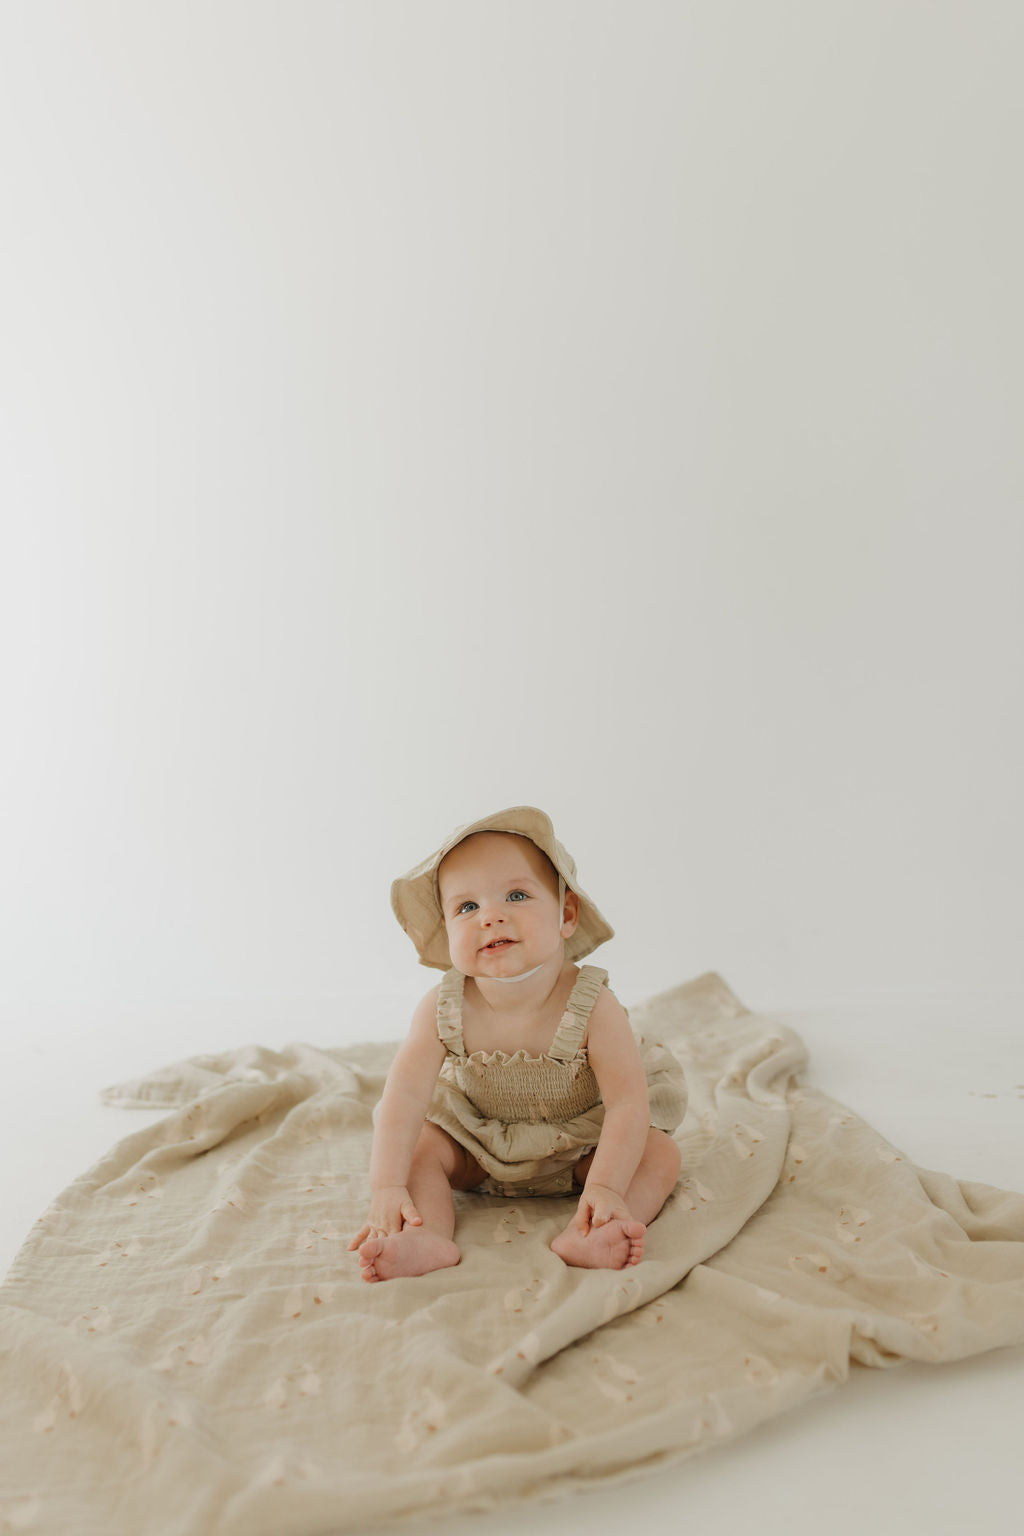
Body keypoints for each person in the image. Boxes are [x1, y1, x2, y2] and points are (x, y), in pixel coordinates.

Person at [348, 806, 687, 1282]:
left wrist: (607, 1185)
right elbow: (401, 1099)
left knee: (659, 1153)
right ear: (447, 934)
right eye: (467, 907)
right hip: (478, 1150)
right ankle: (427, 1234)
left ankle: (596, 1226)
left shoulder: (592, 1004)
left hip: (580, 1149)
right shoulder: (442, 1007)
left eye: (517, 894)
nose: (491, 916)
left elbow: (628, 1103)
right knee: (422, 1146)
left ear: (566, 915)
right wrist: (385, 1185)